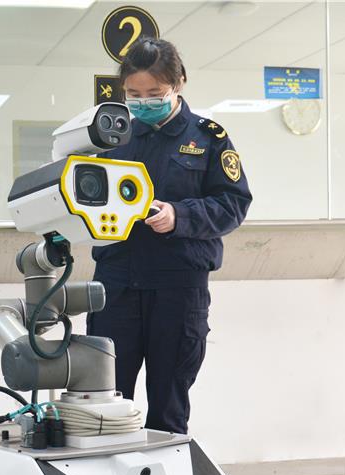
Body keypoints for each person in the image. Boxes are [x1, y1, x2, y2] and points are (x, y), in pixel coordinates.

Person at [87, 37, 252, 435]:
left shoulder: (208, 138)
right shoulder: (113, 138)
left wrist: (181, 215)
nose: (143, 102)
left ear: (179, 83)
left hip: (177, 289)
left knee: (168, 409)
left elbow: (234, 204)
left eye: (155, 93)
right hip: (117, 285)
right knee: (105, 407)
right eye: (134, 94)